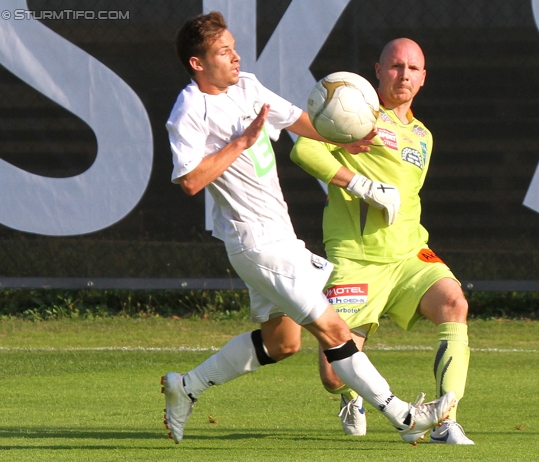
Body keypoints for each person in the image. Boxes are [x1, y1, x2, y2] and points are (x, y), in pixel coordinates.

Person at [162, 13, 456, 445]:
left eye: (233, 46)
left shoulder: (248, 86)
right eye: (223, 52)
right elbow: (189, 180)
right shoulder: (190, 109)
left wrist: (341, 141)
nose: (235, 56)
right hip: (256, 243)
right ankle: (406, 417)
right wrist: (239, 143)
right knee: (335, 332)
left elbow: (297, 118)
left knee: (281, 344)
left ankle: (184, 388)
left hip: (279, 236)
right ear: (197, 63)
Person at [290, 38, 473, 445]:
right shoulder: (354, 114)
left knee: (454, 303)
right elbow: (303, 150)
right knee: (334, 376)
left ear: (423, 79)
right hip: (358, 258)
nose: (403, 75)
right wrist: (359, 184)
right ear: (377, 70)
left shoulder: (423, 136)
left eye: (412, 69)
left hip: (410, 254)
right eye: (394, 66)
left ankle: (445, 421)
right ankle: (352, 397)